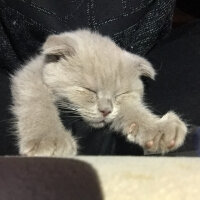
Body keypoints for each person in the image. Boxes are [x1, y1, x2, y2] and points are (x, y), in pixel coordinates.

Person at [0, 0, 199, 156]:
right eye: (88, 91)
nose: (106, 109)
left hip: (138, 58)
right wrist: (41, 126)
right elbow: (33, 73)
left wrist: (140, 119)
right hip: (18, 69)